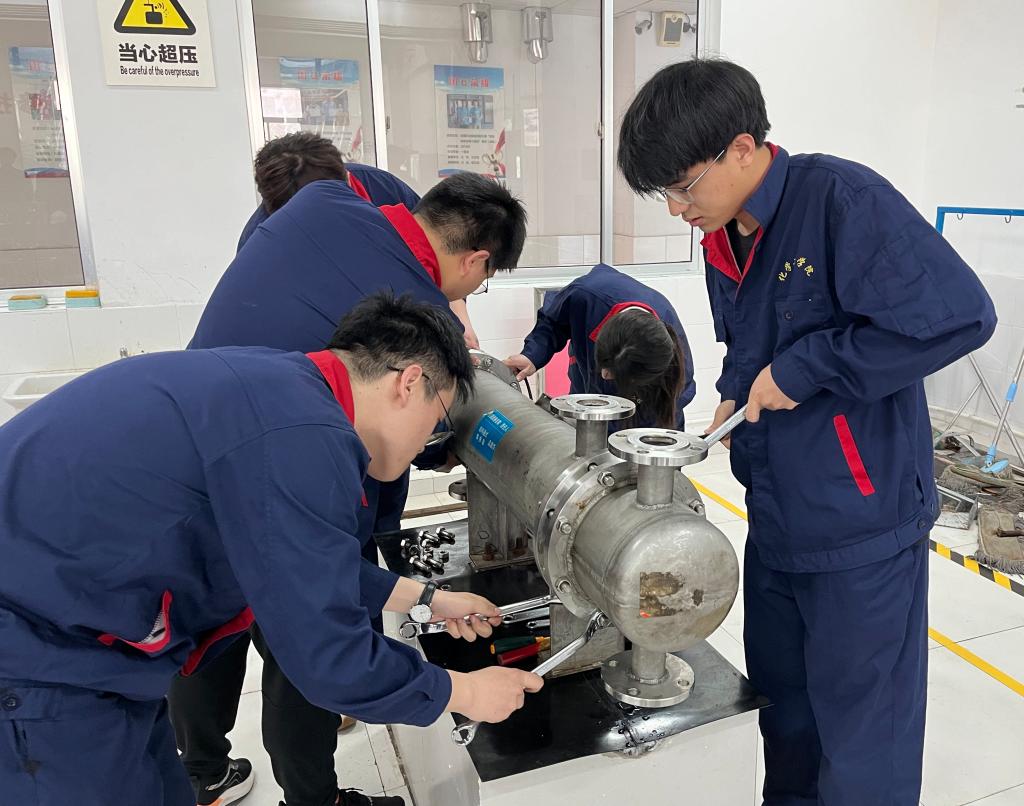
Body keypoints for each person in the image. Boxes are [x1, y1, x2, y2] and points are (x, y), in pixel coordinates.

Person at [617, 58, 996, 806]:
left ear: (742, 149)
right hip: (778, 516)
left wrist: (810, 366)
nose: (676, 209)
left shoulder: (843, 202)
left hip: (861, 527)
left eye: (684, 187)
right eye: (665, 194)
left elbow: (960, 316)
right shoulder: (724, 230)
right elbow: (750, 342)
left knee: (861, 734)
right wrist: (733, 397)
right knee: (786, 715)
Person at [0, 293, 543, 806]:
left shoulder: (283, 391)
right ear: (409, 382)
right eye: (438, 418)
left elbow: (299, 558)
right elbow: (329, 661)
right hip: (37, 664)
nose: (429, 439)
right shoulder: (303, 436)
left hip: (89, 647)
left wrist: (426, 598)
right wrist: (463, 692)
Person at [176, 172, 526, 806]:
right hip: (268, 464)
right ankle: (315, 798)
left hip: (200, 443)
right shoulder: (411, 318)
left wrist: (423, 596)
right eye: (481, 282)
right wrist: (463, 691)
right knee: (306, 647)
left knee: (212, 618)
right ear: (477, 261)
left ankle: (202, 771)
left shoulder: (325, 200)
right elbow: (327, 630)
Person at [235, 131, 480, 348]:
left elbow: (443, 250)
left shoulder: (383, 190)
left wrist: (459, 319)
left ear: (347, 180)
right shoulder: (259, 243)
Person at [504, 263, 696, 430]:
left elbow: (667, 413)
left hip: (644, 411)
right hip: (586, 392)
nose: (604, 375)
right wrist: (532, 355)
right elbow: (553, 322)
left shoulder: (668, 356)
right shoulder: (587, 296)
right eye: (604, 364)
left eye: (614, 373)